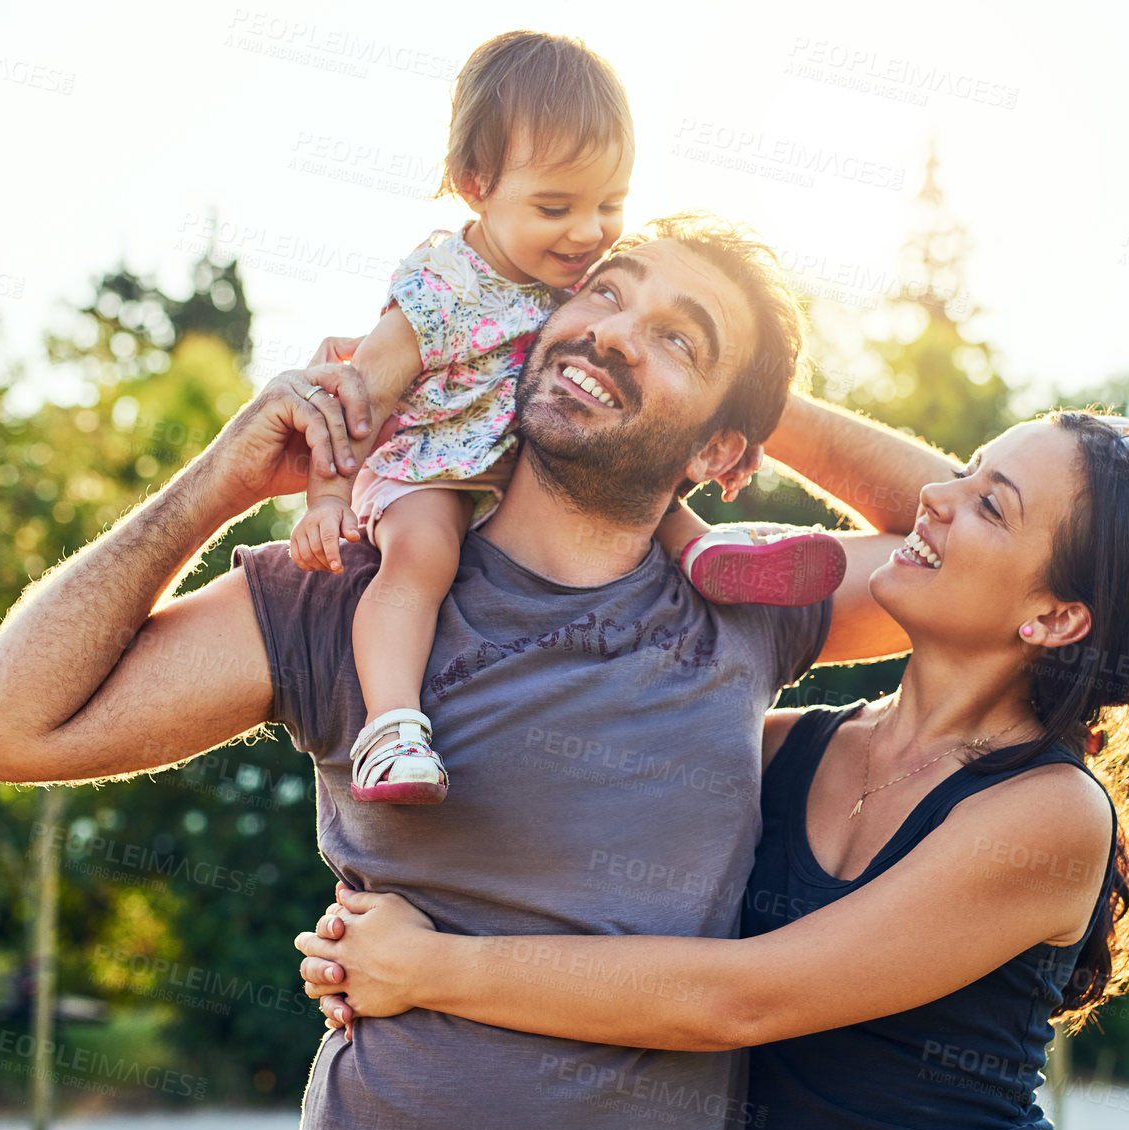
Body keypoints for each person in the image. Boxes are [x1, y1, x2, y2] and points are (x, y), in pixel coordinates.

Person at [0, 212, 956, 1130]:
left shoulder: (746, 598)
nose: (608, 336)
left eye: (675, 339)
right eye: (601, 293)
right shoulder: (352, 587)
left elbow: (1004, 556)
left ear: (721, 452)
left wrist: (764, 406)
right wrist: (220, 481)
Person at [295, 410, 1129, 1130]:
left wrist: (430, 969)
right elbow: (553, 815)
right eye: (965, 471)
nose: (933, 496)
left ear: (1057, 614)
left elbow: (739, 1001)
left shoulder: (1049, 814)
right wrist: (371, 936)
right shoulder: (785, 749)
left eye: (990, 503)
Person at [288, 31, 844, 805]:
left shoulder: (568, 277)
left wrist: (742, 420)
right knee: (421, 557)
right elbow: (353, 398)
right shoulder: (440, 289)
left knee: (639, 474)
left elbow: (652, 389)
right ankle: (391, 728)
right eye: (557, 207)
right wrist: (321, 499)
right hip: (429, 466)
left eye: (609, 205)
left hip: (512, 455)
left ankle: (708, 553)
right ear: (474, 183)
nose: (587, 234)